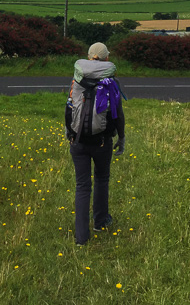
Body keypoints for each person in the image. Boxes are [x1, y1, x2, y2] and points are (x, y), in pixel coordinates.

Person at [66, 42, 125, 245]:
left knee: (82, 186)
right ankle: (100, 221)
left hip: (78, 140)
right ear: (106, 58)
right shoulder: (111, 81)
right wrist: (122, 138)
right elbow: (118, 114)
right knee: (101, 178)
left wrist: (70, 134)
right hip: (102, 141)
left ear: (89, 57)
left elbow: (69, 108)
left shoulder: (77, 79)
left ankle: (81, 238)